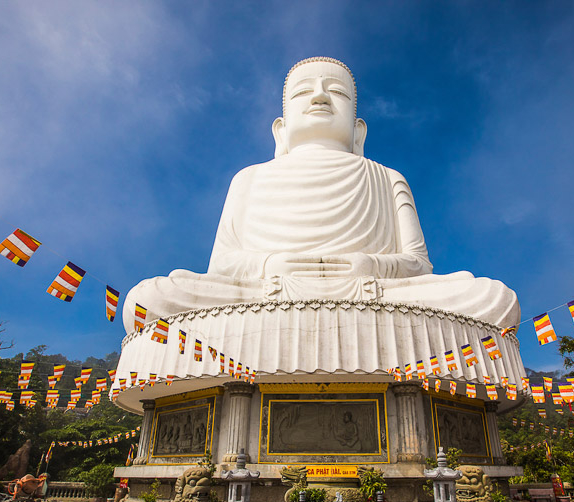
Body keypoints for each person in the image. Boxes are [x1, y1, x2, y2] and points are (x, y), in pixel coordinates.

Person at [123, 57, 519, 333]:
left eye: (336, 93)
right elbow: (222, 266)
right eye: (304, 92)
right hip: (265, 293)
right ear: (280, 129)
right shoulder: (250, 178)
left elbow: (419, 266)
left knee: (492, 299)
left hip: (373, 294)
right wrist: (272, 264)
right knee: (149, 300)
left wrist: (370, 265)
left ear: (358, 130)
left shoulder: (387, 178)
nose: (319, 97)